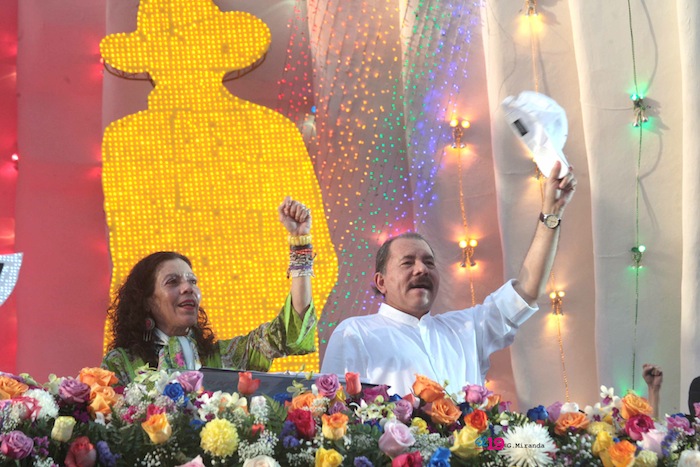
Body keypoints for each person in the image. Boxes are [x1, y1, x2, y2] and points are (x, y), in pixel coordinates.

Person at [321, 161, 577, 396]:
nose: (421, 270)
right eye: (407, 263)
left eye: (429, 262)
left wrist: (551, 214)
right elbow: (334, 413)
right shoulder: (355, 334)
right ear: (381, 282)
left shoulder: (466, 329)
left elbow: (526, 292)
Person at [102, 196, 316, 385]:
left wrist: (300, 243)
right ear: (147, 301)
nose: (188, 288)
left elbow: (288, 331)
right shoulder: (120, 365)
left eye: (192, 281)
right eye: (172, 282)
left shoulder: (224, 357)